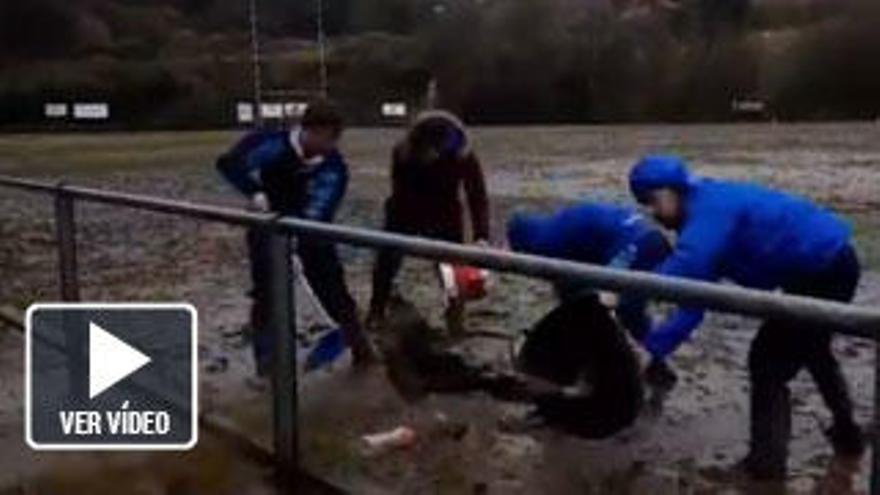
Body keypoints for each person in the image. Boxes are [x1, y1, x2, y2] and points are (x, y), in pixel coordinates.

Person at [629, 155, 865, 480]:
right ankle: (849, 436)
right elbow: (694, 300)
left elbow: (683, 268)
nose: (652, 213)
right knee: (812, 349)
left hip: (826, 268)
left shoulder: (708, 212)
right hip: (823, 265)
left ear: (673, 189)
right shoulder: (701, 217)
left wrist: (624, 291)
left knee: (768, 362)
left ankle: (765, 468)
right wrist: (652, 348)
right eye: (645, 205)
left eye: (653, 201)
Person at [216, 100, 375, 376]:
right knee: (267, 294)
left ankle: (361, 350)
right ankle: (267, 366)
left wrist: (302, 232)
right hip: (266, 225)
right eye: (324, 137)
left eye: (334, 139)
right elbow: (229, 163)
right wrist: (254, 192)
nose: (329, 144)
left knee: (333, 290)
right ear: (307, 130)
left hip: (313, 233)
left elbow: (323, 204)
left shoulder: (334, 166)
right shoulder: (270, 144)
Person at [506, 202, 676, 387]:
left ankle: (633, 369)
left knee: (620, 308)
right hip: (644, 238)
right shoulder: (559, 226)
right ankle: (647, 365)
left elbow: (576, 298)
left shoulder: (544, 245)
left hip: (634, 248)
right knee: (616, 309)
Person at [367, 110, 490, 333]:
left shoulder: (463, 154)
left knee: (452, 270)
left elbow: (477, 196)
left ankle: (455, 317)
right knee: (386, 261)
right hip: (404, 209)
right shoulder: (403, 153)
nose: (433, 155)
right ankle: (376, 309)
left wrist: (482, 235)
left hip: (446, 212)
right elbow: (402, 192)